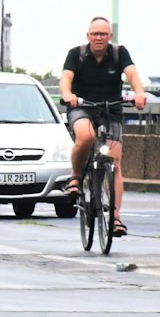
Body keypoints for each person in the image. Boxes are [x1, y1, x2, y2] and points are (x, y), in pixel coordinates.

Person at [58, 16, 148, 236]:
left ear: (110, 36)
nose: (99, 38)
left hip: (111, 109)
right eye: (95, 34)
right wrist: (68, 95)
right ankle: (76, 176)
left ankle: (115, 218)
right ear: (88, 36)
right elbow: (65, 78)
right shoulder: (76, 54)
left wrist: (139, 92)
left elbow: (132, 74)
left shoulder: (119, 53)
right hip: (82, 106)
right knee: (86, 137)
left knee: (115, 162)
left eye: (103, 34)